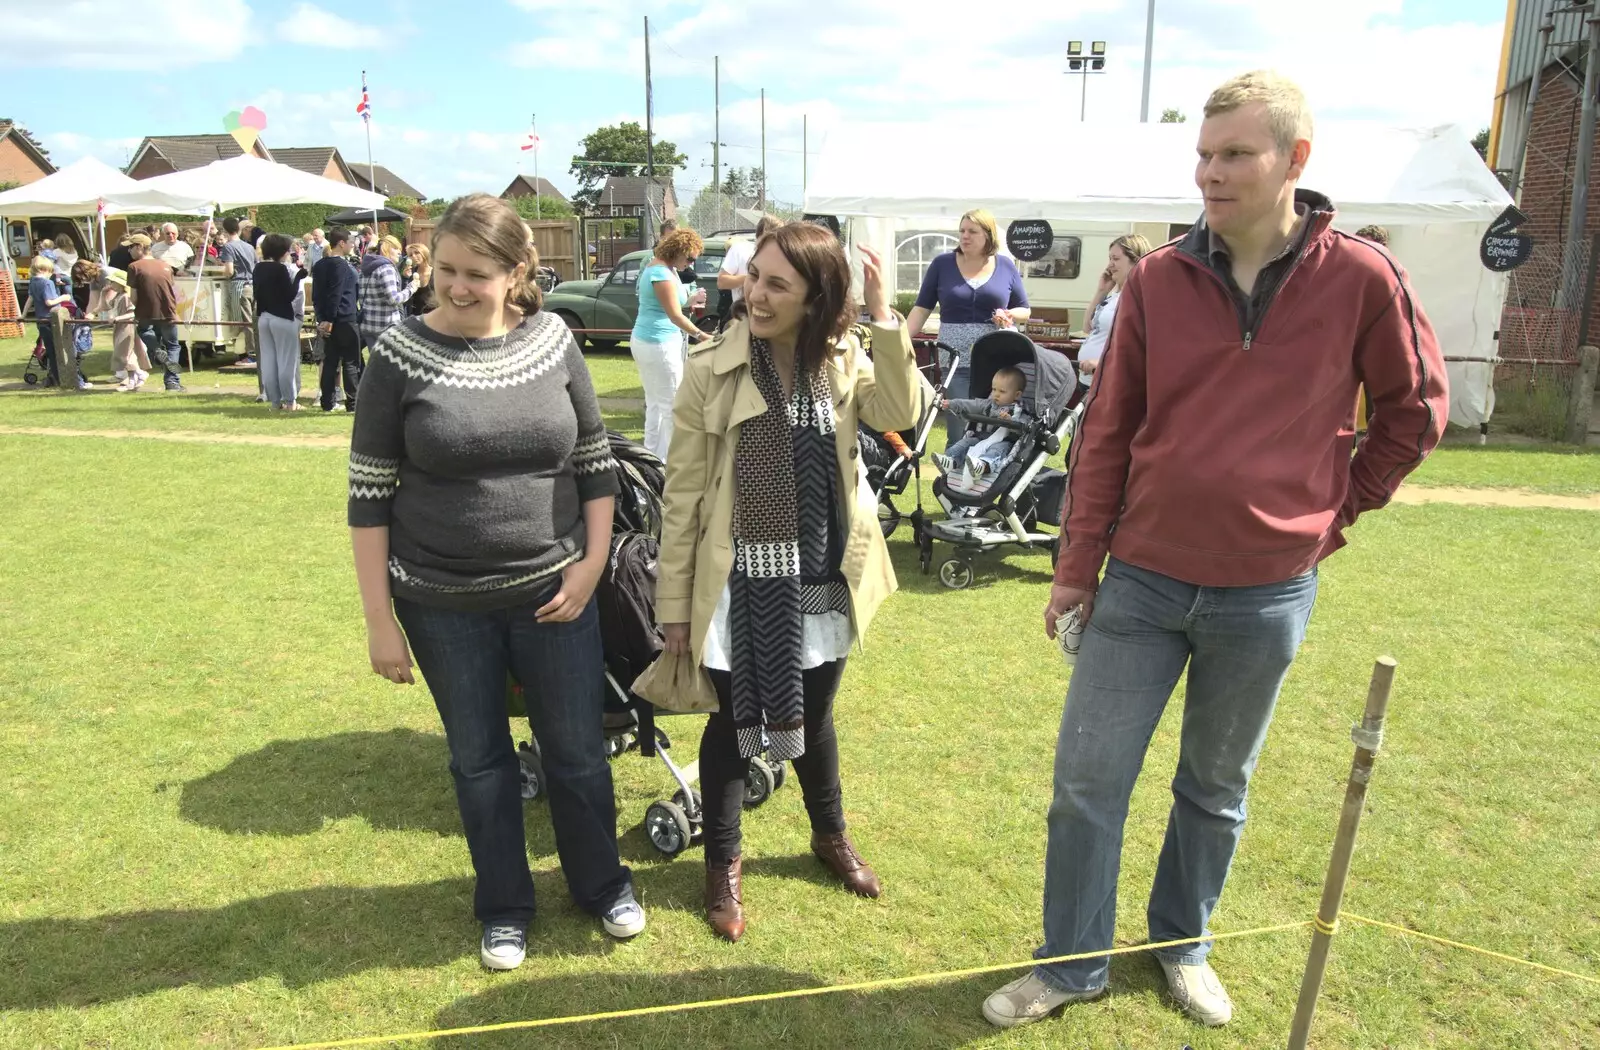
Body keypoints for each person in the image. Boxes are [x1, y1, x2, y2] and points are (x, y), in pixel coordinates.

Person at [981, 70, 1449, 1031]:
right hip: (1142, 584)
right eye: (1204, 153)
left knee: (1215, 790)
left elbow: (1415, 414)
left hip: (1267, 592)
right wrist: (1075, 571)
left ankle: (1180, 945)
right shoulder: (1157, 279)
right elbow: (1106, 434)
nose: (1212, 172)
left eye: (1236, 153)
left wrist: (1334, 512)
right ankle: (1070, 963)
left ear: (1295, 160)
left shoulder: (1363, 277)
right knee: (1086, 783)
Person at [348, 193, 643, 970]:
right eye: (444, 268)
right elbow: (368, 495)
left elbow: (595, 464)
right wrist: (379, 621)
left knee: (578, 751)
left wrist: (590, 565)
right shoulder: (396, 357)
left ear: (517, 274)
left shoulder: (554, 342)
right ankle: (505, 906)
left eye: (476, 273)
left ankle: (602, 885)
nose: (456, 286)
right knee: (480, 763)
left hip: (556, 592)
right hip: (441, 605)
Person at [656, 224, 919, 943]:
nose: (756, 294)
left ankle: (828, 835)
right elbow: (681, 496)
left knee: (817, 712)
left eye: (777, 284)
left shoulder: (843, 357)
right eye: (754, 278)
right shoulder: (710, 367)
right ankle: (723, 863)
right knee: (732, 723)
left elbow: (901, 416)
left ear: (816, 296)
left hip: (824, 573)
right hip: (737, 583)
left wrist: (885, 316)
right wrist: (673, 604)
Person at [903, 210, 1031, 442]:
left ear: (989, 236)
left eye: (972, 231)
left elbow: (1025, 310)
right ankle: (952, 473)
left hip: (995, 358)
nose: (965, 236)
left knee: (993, 423)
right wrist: (900, 343)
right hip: (955, 359)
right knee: (959, 421)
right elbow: (922, 308)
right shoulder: (942, 264)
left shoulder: (1005, 266)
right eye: (962, 231)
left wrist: (1009, 313)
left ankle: (985, 472)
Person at [629, 226, 709, 462]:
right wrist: (700, 335)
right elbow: (675, 314)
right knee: (672, 406)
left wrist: (691, 297)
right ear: (679, 251)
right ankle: (677, 465)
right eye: (690, 258)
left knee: (655, 403)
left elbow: (678, 300)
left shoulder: (665, 268)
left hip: (654, 343)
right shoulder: (661, 274)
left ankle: (653, 458)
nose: (691, 263)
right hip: (658, 345)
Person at [1075, 234, 1154, 390]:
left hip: (1113, 383)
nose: (1110, 265)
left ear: (1136, 261)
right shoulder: (1114, 297)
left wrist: (1102, 363)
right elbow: (1088, 328)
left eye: (1116, 259)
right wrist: (1101, 291)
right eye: (1110, 259)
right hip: (1090, 380)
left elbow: (1142, 346)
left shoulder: (1142, 299)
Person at [935, 366, 1032, 480]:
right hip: (982, 438)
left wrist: (1010, 421)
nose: (996, 394)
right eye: (994, 389)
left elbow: (1023, 427)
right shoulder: (988, 404)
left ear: (1017, 395)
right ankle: (950, 460)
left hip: (1004, 442)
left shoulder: (1020, 411)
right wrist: (951, 403)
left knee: (996, 450)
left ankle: (983, 465)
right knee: (965, 443)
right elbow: (969, 404)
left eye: (1002, 391)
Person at [254, 233, 310, 411]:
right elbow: (290, 295)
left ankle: (274, 401)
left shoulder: (258, 268)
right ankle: (290, 400)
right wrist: (299, 278)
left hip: (264, 317)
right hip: (282, 317)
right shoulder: (281, 269)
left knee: (269, 361)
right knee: (287, 361)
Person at [311, 228, 363, 413]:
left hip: (328, 318)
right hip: (344, 317)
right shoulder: (340, 265)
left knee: (331, 361)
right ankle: (352, 403)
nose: (352, 246)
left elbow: (316, 296)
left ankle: (328, 402)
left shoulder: (319, 265)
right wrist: (329, 319)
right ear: (342, 243)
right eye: (350, 242)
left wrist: (322, 318)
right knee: (350, 361)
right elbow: (336, 293)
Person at [127, 234, 186, 392]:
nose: (129, 250)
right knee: (173, 346)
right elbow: (172, 290)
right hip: (168, 311)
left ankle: (157, 350)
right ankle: (172, 382)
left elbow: (133, 297)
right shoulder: (165, 265)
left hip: (145, 311)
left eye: (130, 247)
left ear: (139, 247)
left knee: (145, 331)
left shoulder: (134, 267)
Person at [26, 256, 83, 389]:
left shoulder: (32, 281)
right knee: (61, 350)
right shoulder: (47, 283)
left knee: (51, 352)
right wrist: (64, 297)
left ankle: (56, 377)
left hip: (40, 321)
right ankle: (64, 378)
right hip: (52, 320)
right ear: (45, 270)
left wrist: (23, 315)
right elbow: (49, 302)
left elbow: (30, 299)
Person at [91, 267, 150, 391]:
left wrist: (118, 318)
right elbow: (105, 307)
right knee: (123, 355)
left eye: (113, 282)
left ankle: (138, 376)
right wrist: (103, 294)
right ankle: (134, 379)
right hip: (120, 328)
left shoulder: (125, 297)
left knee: (126, 355)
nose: (110, 284)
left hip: (127, 327)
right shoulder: (118, 296)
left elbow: (132, 313)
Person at [358, 235, 420, 352]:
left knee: (378, 367)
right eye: (396, 248)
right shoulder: (387, 268)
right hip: (386, 327)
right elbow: (393, 299)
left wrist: (404, 279)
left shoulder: (365, 268)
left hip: (369, 325)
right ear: (386, 248)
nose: (399, 252)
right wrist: (411, 288)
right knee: (391, 368)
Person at [717, 214, 782, 319]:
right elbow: (722, 282)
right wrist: (751, 278)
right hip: (743, 317)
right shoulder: (740, 249)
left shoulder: (781, 255)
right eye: (768, 237)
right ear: (759, 234)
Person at [216, 216, 257, 358]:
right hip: (253, 285)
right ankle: (252, 351)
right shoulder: (249, 246)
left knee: (245, 322)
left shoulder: (228, 247)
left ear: (225, 230)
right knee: (254, 320)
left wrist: (222, 271)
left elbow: (229, 271)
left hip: (240, 285)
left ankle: (250, 354)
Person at [403, 243, 436, 317]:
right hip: (415, 316)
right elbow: (404, 295)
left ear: (424, 253)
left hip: (433, 316)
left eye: (417, 252)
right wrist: (405, 278)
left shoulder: (436, 273)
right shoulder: (410, 274)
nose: (414, 256)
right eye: (410, 255)